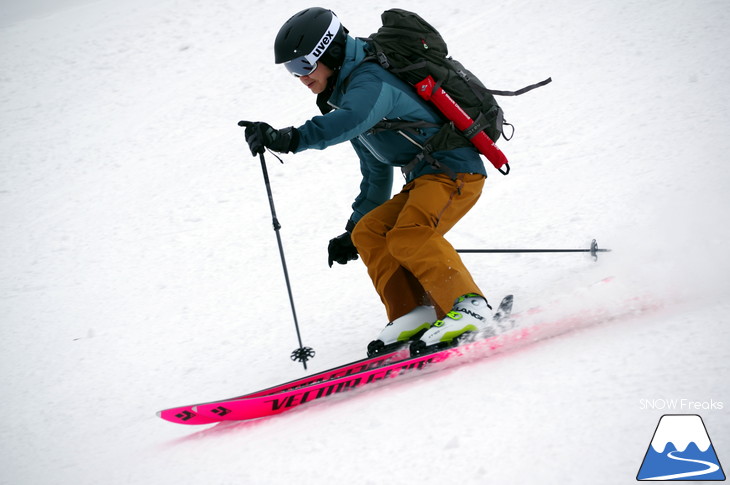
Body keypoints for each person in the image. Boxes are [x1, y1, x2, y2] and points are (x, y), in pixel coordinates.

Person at [240, 7, 496, 356]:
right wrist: (353, 227)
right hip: (425, 178)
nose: (300, 78)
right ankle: (414, 312)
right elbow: (375, 170)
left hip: (455, 171)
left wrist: (287, 138)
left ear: (329, 51)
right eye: (292, 70)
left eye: (304, 66)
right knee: (370, 233)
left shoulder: (369, 81)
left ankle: (469, 307)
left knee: (411, 234)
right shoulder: (345, 94)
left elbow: (350, 120)